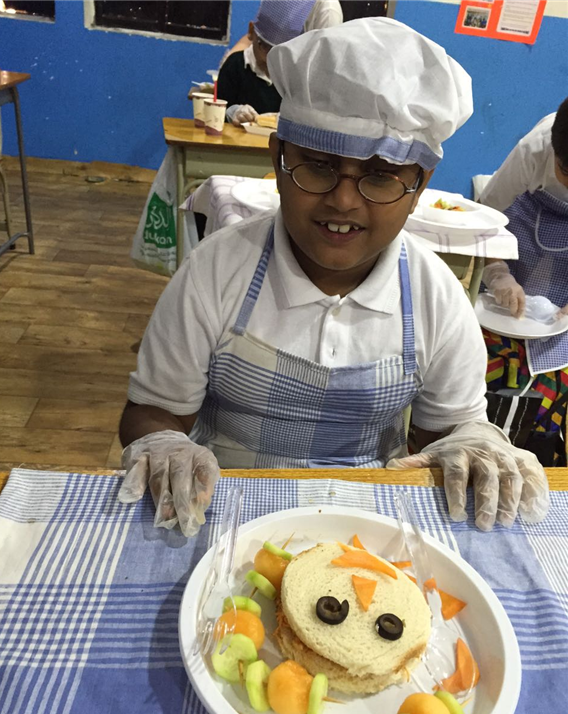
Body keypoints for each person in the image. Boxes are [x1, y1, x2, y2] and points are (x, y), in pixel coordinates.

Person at [118, 18, 549, 536]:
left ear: (419, 186)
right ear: (279, 159)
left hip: (365, 527)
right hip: (223, 513)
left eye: (380, 176)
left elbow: (444, 434)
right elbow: (153, 411)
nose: (343, 201)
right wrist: (166, 444)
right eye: (318, 166)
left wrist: (471, 443)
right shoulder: (214, 273)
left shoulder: (436, 298)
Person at [479, 99, 568, 465]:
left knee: (554, 377)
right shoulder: (534, 149)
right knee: (490, 357)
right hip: (520, 231)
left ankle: (540, 448)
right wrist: (498, 272)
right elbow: (485, 219)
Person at [218, 0, 316, 127]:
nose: (269, 59)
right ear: (251, 32)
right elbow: (217, 112)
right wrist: (233, 112)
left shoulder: (292, 75)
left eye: (278, 52)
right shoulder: (234, 65)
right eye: (263, 46)